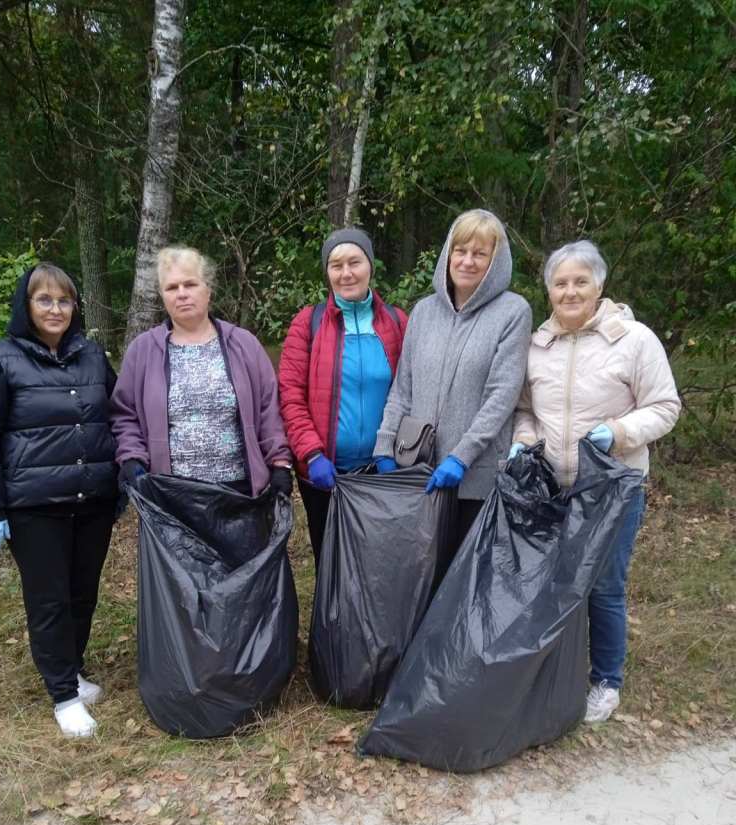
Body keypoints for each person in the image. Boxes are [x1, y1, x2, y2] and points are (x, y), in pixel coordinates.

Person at [510, 239, 681, 723]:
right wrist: (523, 441)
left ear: (599, 286)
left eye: (580, 281)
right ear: (549, 290)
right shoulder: (537, 345)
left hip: (613, 487)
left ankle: (606, 681)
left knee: (604, 585)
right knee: (551, 581)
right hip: (552, 487)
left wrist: (620, 432)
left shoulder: (634, 340)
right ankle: (555, 672)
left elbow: (665, 407)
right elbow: (525, 410)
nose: (570, 292)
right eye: (560, 283)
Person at [0, 263, 118, 739]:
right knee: (49, 600)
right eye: (45, 300)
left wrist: (118, 481)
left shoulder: (92, 356)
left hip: (92, 500)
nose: (56, 309)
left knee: (82, 594)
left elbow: (115, 417)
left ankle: (72, 668)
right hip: (34, 507)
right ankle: (63, 696)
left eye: (64, 300)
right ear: (27, 306)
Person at [374, 209, 532, 544]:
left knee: (465, 572)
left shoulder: (513, 312)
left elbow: (501, 396)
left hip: (475, 478)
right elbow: (403, 389)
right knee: (421, 570)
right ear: (448, 253)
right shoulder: (424, 311)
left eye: (480, 254)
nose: (467, 261)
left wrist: (461, 456)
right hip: (418, 472)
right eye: (461, 251)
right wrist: (385, 446)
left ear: (495, 262)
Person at [110, 245, 292, 500]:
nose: (182, 294)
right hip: (172, 495)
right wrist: (131, 457)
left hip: (241, 493)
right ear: (162, 296)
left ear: (208, 289)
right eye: (172, 288)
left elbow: (269, 410)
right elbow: (124, 415)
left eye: (190, 284)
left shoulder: (244, 344)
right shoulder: (142, 351)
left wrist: (280, 462)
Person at [278, 228, 408, 564]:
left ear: (370, 266)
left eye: (355, 262)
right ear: (327, 272)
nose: (346, 273)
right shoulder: (308, 323)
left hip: (384, 472)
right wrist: (312, 454)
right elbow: (290, 395)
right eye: (336, 265)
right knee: (332, 564)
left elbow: (411, 390)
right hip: (326, 476)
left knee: (381, 564)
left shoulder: (397, 323)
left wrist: (396, 453)